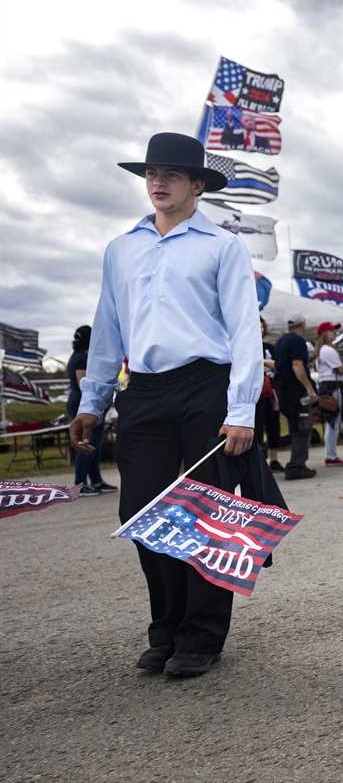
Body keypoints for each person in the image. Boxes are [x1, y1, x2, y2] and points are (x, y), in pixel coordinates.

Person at [67, 132, 262, 678]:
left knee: (205, 513)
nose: (158, 181)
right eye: (152, 173)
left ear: (197, 185)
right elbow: (107, 327)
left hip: (208, 386)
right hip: (145, 389)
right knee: (142, 512)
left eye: (172, 174)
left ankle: (201, 635)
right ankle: (167, 625)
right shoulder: (121, 248)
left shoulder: (222, 245)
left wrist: (241, 408)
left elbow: (245, 330)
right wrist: (93, 400)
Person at [66, 325, 116, 495]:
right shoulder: (80, 358)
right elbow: (82, 384)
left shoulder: (81, 356)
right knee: (86, 442)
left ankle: (96, 480)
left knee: (96, 444)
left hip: (89, 404)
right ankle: (80, 484)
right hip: (83, 405)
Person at [274, 314, 317, 481]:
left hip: (284, 391)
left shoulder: (281, 341)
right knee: (302, 428)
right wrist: (309, 388)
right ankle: (296, 466)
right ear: (302, 324)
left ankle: (298, 464)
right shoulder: (298, 341)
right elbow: (297, 365)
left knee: (295, 428)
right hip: (297, 392)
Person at [314, 321, 343, 466]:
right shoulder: (327, 350)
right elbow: (341, 369)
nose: (334, 333)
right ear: (324, 334)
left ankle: (331, 455)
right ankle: (331, 456)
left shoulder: (321, 350)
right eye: (331, 331)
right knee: (333, 422)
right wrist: (342, 366)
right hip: (333, 385)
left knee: (331, 421)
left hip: (326, 385)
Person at [255, 317, 283, 473]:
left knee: (274, 425)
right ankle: (259, 461)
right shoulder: (246, 346)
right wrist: (265, 364)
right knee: (257, 427)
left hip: (271, 392)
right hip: (255, 394)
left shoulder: (270, 347)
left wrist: (262, 362)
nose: (259, 329)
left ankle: (274, 459)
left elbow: (279, 365)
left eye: (261, 326)